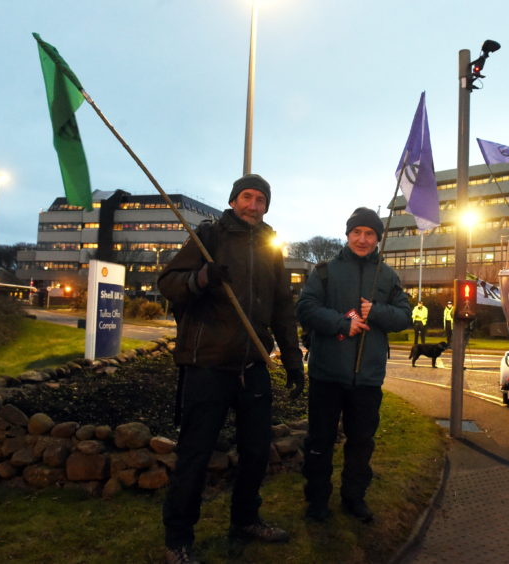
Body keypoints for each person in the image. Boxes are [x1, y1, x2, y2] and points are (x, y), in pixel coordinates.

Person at [158, 174, 305, 564]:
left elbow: (282, 310)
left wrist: (293, 360)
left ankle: (245, 519)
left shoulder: (271, 249)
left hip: (252, 363)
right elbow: (168, 282)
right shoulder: (210, 236)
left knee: (256, 450)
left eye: (260, 200)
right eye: (247, 197)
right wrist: (202, 277)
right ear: (234, 200)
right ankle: (178, 539)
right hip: (207, 362)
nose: (253, 205)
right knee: (195, 453)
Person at [296, 207, 411, 523]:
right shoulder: (324, 272)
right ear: (347, 235)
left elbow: (404, 316)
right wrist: (341, 324)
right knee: (319, 441)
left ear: (377, 239)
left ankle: (354, 498)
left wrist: (375, 312)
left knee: (361, 443)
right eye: (357, 232)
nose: (363, 239)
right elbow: (305, 308)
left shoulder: (387, 276)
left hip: (368, 378)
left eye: (370, 233)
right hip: (327, 374)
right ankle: (317, 500)